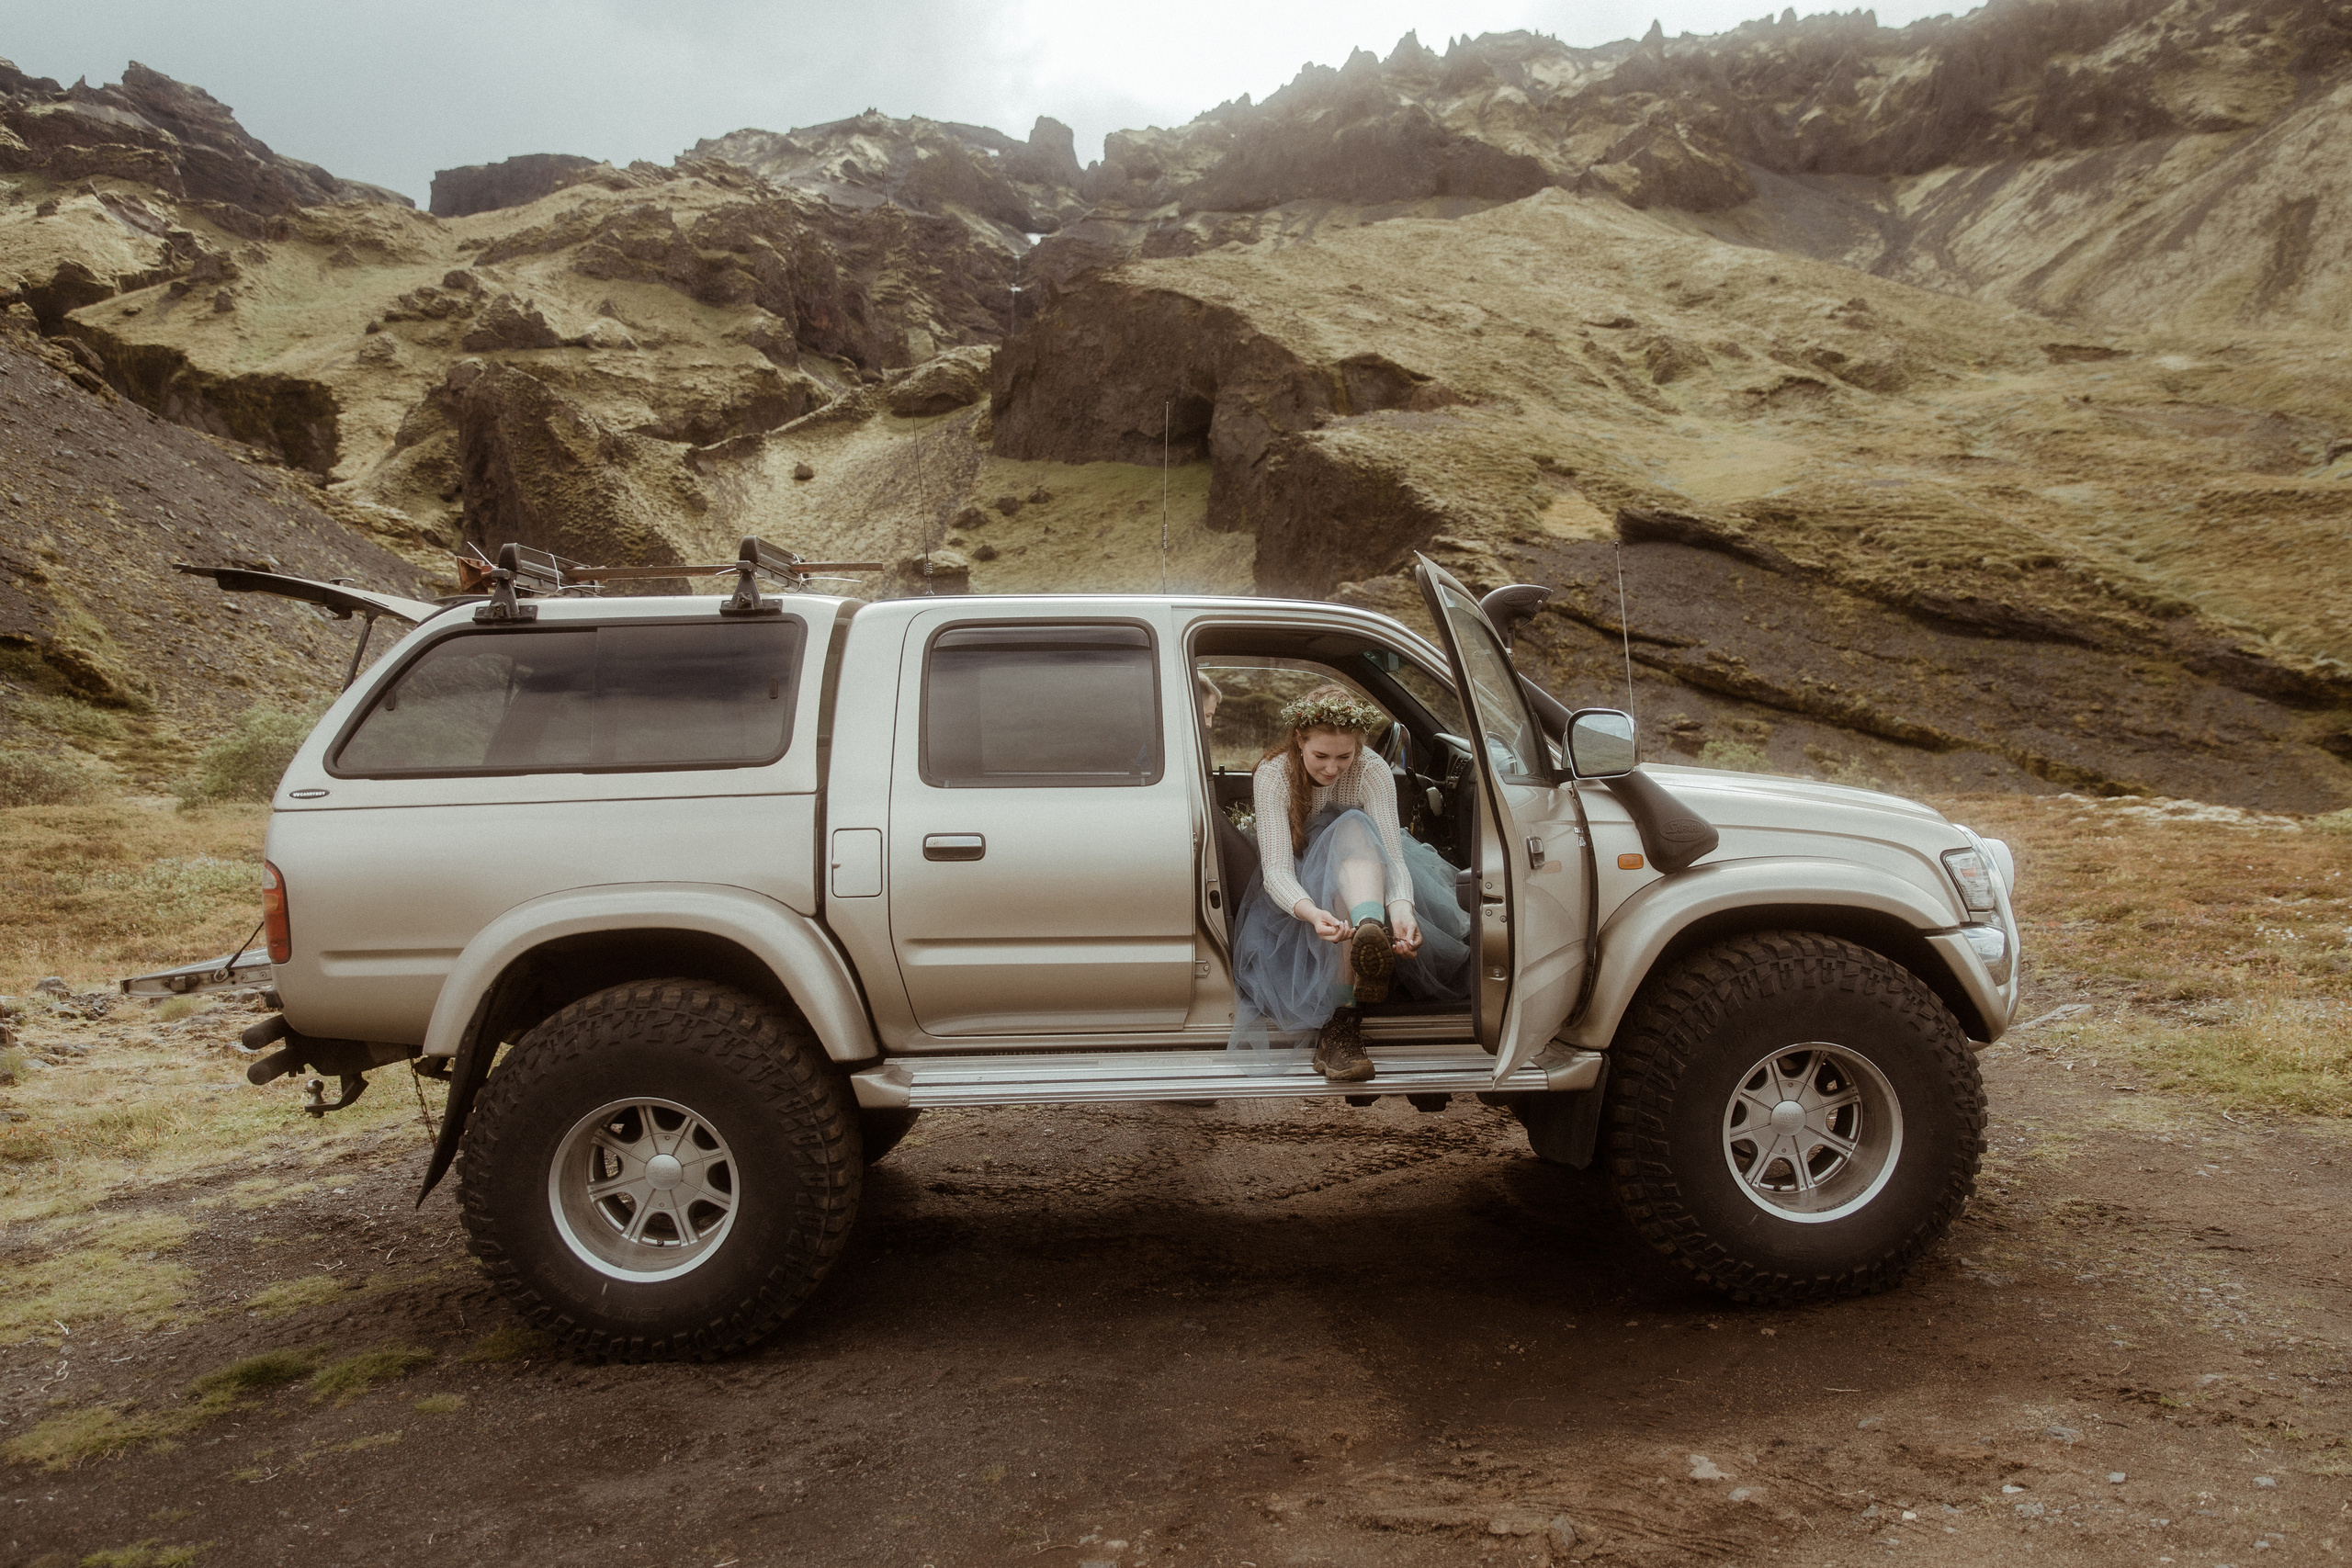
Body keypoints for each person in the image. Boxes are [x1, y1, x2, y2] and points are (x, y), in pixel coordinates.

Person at [1228, 684, 1472, 1081]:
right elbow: (1276, 870)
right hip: (1300, 887)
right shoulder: (1274, 774)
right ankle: (1348, 1007)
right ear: (1298, 741)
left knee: (1355, 827)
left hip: (1366, 876)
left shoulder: (1372, 769)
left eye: (1345, 757)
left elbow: (1391, 855)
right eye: (1320, 756)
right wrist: (1311, 913)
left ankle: (1368, 932)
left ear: (1359, 748)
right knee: (1342, 852)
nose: (1331, 768)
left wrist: (1403, 910)